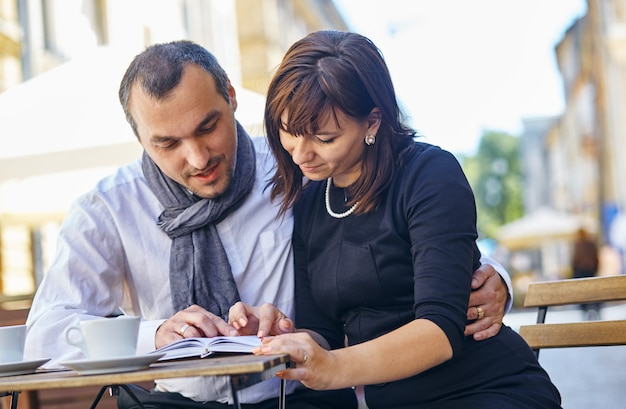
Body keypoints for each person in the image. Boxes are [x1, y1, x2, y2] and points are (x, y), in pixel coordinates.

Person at [24, 40, 510, 409]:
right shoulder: (108, 209)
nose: (197, 158)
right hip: (178, 402)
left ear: (232, 97)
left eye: (207, 126)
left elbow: (414, 238)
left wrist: (496, 280)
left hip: (299, 398)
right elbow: (45, 332)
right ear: (139, 138)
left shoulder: (295, 167)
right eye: (167, 143)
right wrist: (154, 336)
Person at [232, 31, 562, 408]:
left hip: (481, 388)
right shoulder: (310, 201)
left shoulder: (429, 174)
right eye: (288, 132)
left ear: (372, 122)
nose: (300, 154)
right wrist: (285, 336)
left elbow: (439, 331)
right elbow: (324, 332)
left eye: (324, 138)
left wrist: (334, 366)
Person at [572, 228, 601, 320]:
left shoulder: (578, 245)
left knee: (583, 297)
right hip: (591, 273)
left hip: (581, 275)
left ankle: (586, 316)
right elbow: (597, 260)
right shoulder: (591, 244)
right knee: (594, 296)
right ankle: (596, 313)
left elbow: (574, 262)